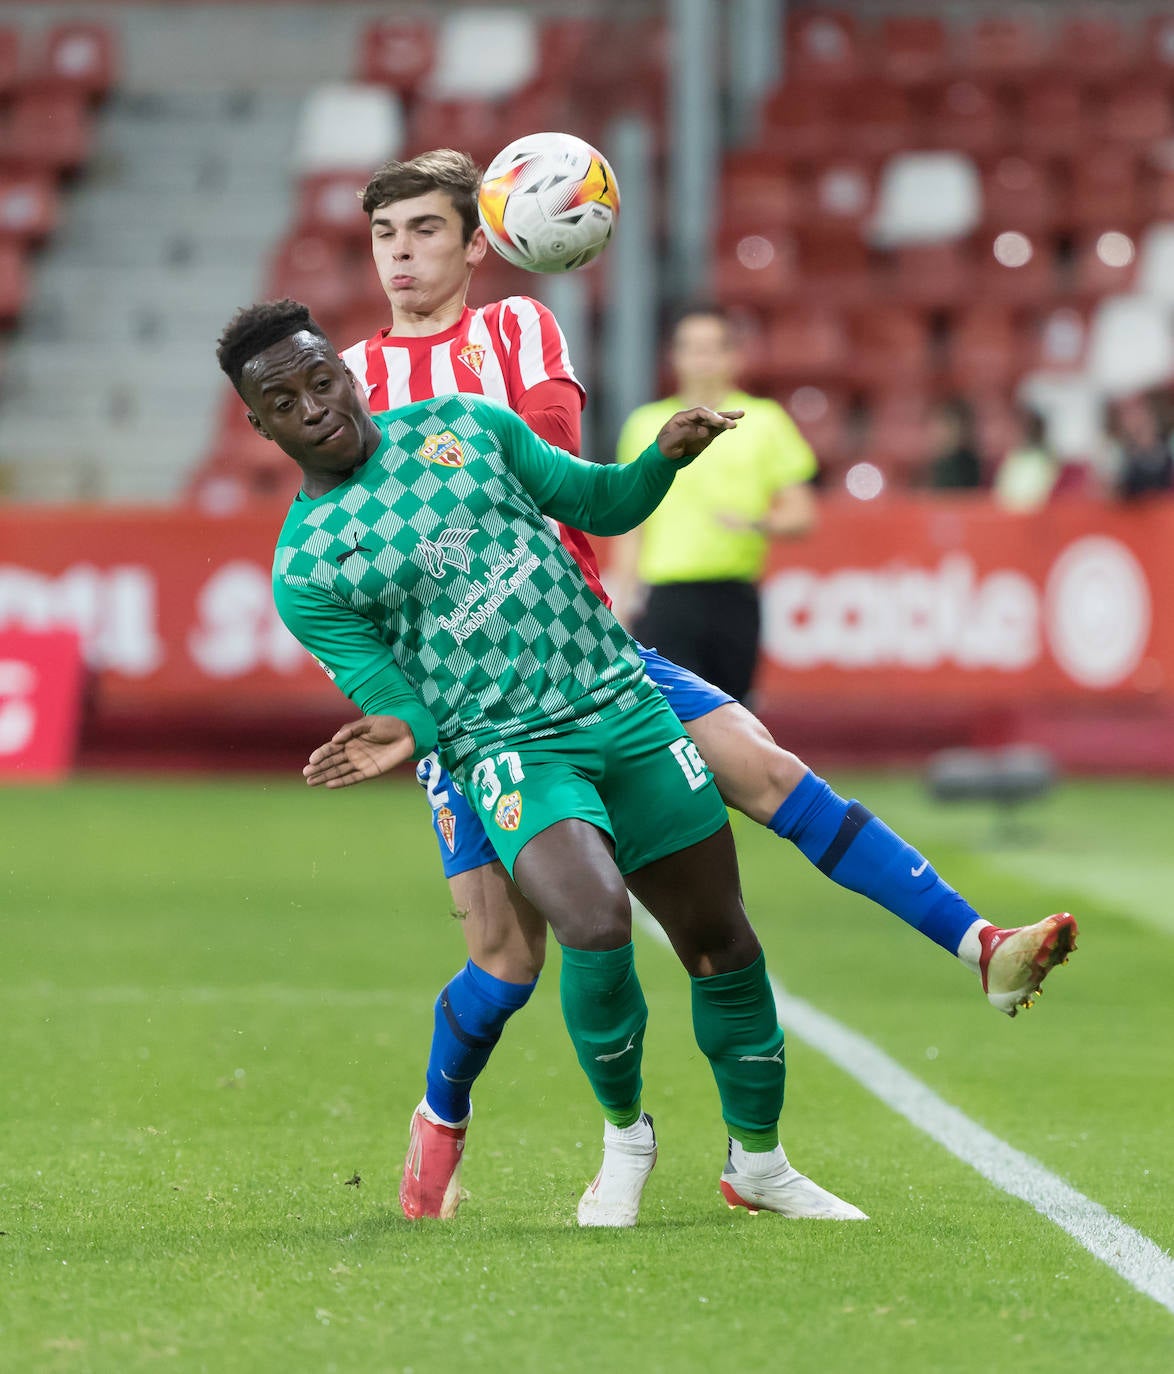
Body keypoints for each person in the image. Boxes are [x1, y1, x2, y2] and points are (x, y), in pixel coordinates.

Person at [312, 148, 1077, 1221]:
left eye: (426, 230)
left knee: (767, 770)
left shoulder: (520, 332)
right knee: (505, 963)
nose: (400, 254)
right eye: (385, 235)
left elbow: (558, 474)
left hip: (588, 651)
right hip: (473, 702)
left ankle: (979, 945)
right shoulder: (350, 383)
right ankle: (441, 1116)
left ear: (480, 242)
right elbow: (344, 547)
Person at [215, 297, 869, 1230]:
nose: (314, 408)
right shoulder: (306, 567)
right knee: (593, 919)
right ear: (261, 426)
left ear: (348, 373)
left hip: (622, 703)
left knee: (722, 940)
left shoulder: (466, 424)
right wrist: (402, 730)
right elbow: (396, 697)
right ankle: (626, 1140)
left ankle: (761, 1162)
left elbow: (599, 504)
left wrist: (661, 459)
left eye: (322, 381)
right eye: (285, 403)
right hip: (508, 747)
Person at [610, 303, 817, 703]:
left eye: (712, 348)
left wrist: (756, 523)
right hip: (667, 597)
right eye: (691, 348)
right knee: (674, 717)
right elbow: (632, 522)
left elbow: (802, 513)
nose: (701, 359)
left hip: (734, 596)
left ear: (733, 355)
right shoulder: (645, 424)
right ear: (674, 356)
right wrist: (622, 599)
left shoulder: (765, 421)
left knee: (734, 715)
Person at [925, 396, 984, 490]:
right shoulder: (929, 465)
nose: (942, 434)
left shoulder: (968, 465)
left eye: (948, 427)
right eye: (939, 427)